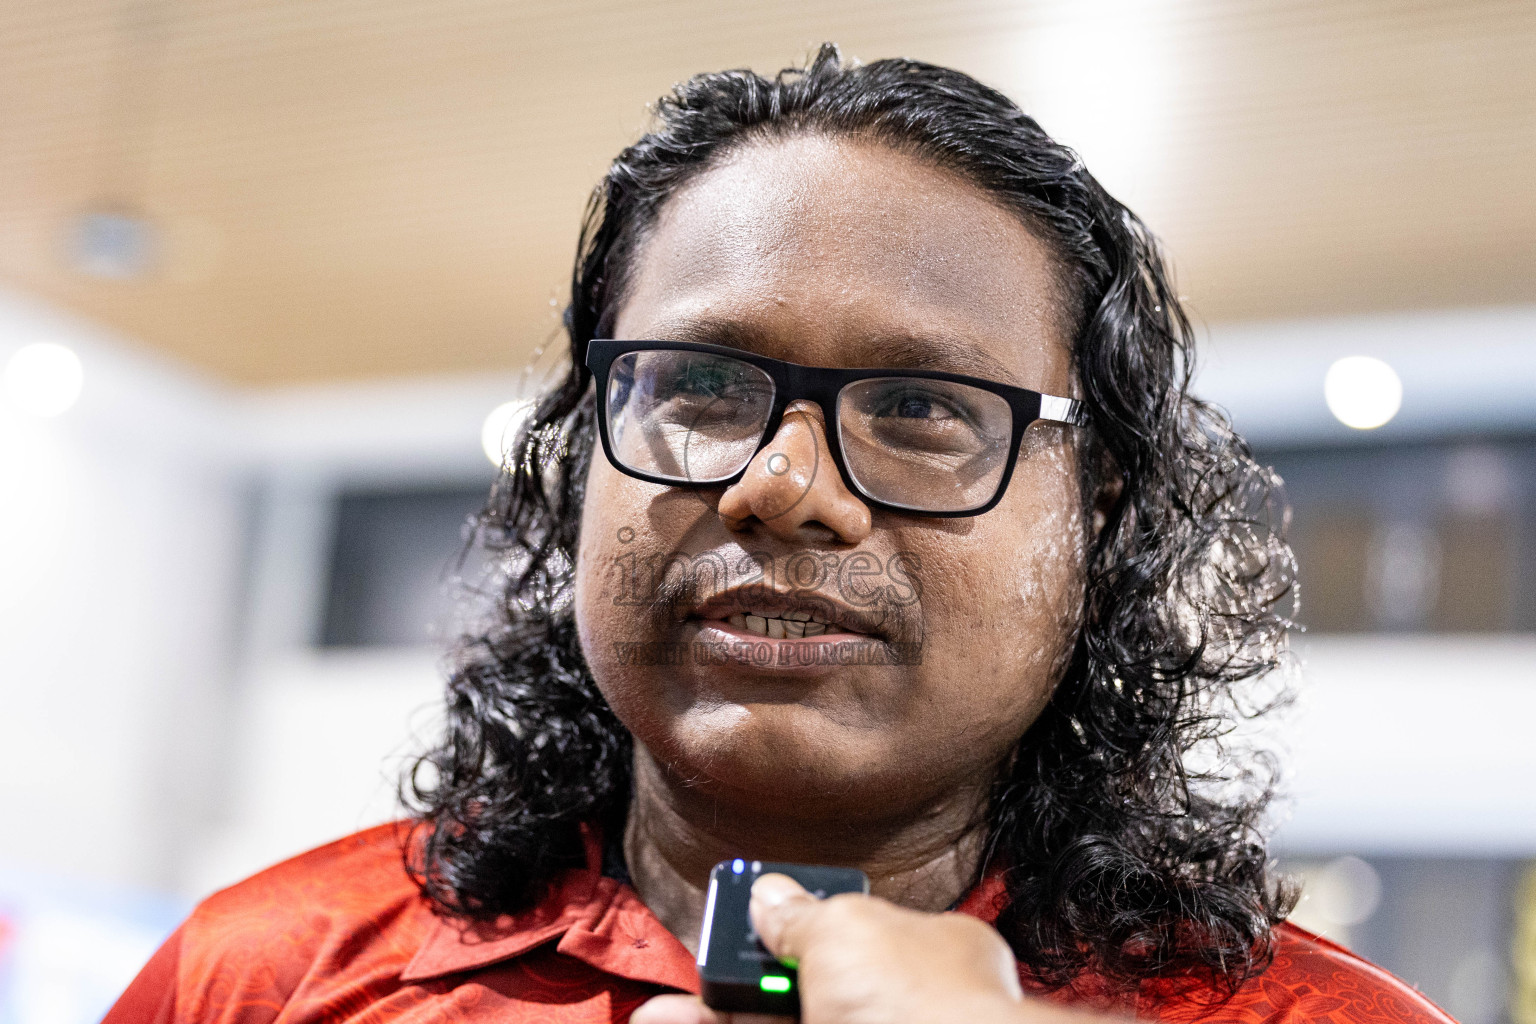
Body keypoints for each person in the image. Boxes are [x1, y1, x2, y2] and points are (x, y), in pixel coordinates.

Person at [106, 45, 1456, 1024]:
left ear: (1096, 521)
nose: (786, 487)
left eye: (925, 407)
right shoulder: (264, 977)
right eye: (699, 388)